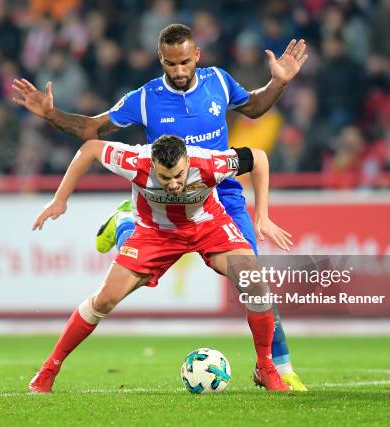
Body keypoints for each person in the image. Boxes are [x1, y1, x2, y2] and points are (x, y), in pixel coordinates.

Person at [12, 24, 308, 390]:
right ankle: (125, 226)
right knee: (105, 299)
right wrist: (51, 116)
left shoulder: (218, 82)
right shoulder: (144, 99)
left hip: (216, 196)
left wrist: (278, 83)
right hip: (161, 207)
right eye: (171, 64)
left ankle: (276, 367)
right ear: (161, 60)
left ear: (197, 56)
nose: (180, 71)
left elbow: (257, 117)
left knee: (253, 280)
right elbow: (92, 133)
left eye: (185, 62)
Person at [28, 134, 293, 393]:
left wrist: (263, 216)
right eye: (165, 178)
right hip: (155, 233)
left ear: (187, 161)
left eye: (179, 175)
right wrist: (59, 199)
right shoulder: (134, 161)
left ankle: (265, 366)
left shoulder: (211, 162)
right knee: (105, 300)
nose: (174, 184)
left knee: (255, 284)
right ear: (153, 164)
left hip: (206, 225)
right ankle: (49, 369)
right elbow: (90, 148)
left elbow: (258, 158)